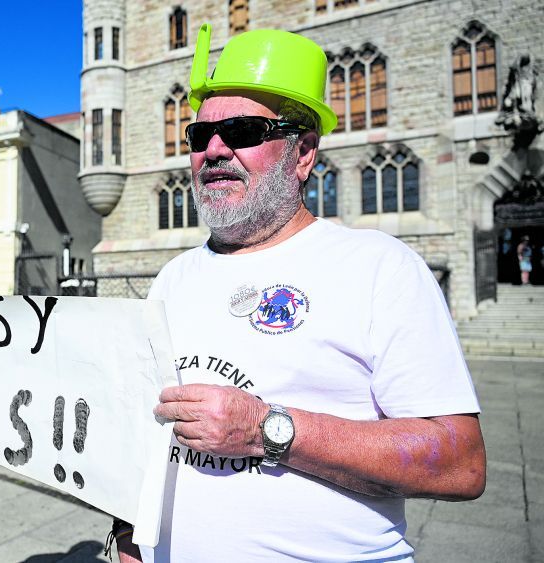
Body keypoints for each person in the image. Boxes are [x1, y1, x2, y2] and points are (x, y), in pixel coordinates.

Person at [113, 26, 486, 562]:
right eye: (200, 136)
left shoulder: (379, 267)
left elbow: (460, 462)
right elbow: (144, 431)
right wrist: (128, 535)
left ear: (303, 154)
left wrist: (267, 429)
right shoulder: (174, 276)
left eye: (242, 130)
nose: (214, 150)